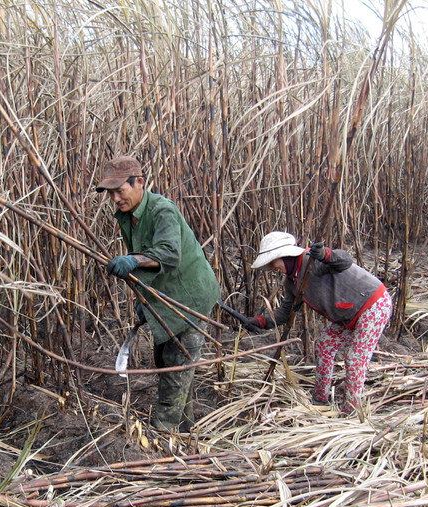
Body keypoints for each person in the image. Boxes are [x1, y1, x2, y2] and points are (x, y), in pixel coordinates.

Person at [97, 156, 220, 432]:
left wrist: (133, 261)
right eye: (110, 193)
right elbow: (153, 262)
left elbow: (168, 254)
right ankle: (186, 431)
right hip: (166, 297)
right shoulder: (128, 215)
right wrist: (146, 298)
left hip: (190, 298)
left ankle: (164, 438)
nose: (115, 199)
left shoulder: (162, 211)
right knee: (167, 362)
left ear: (139, 182)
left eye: (120, 191)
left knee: (176, 370)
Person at [244, 231, 392, 414]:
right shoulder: (292, 282)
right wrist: (260, 321)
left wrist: (326, 255)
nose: (273, 267)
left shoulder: (312, 260)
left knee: (355, 358)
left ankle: (351, 411)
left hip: (373, 305)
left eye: (273, 262)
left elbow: (345, 260)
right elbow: (285, 312)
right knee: (324, 343)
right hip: (348, 315)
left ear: (284, 255)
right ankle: (320, 399)